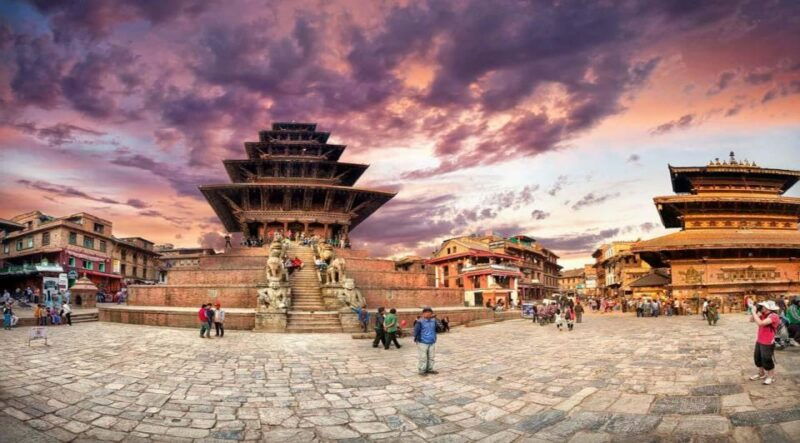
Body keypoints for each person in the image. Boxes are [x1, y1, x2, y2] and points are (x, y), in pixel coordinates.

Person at [750, 300, 781, 385]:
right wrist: (755, 312)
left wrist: (754, 311)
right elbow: (751, 320)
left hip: (768, 342)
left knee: (766, 359)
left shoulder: (774, 316)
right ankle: (761, 374)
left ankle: (771, 376)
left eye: (763, 306)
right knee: (758, 358)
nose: (761, 307)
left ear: (768, 308)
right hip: (760, 340)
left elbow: (760, 323)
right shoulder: (763, 314)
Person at [413, 307, 438, 376]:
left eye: (430, 313)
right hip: (422, 342)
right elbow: (415, 332)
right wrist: (417, 340)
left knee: (431, 357)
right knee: (423, 357)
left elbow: (436, 329)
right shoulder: (419, 322)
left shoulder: (433, 321)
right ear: (423, 314)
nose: (428, 315)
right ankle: (422, 370)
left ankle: (430, 369)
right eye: (427, 313)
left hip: (432, 341)